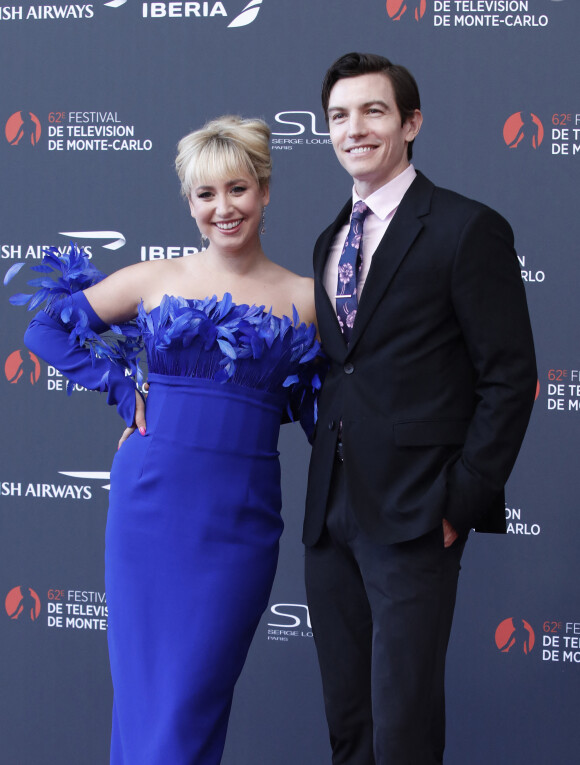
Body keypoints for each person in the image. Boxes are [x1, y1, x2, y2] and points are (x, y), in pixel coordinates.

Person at [19, 115, 319, 765]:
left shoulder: (307, 298)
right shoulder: (157, 278)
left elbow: (326, 400)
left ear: (265, 192)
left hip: (240, 516)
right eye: (205, 195)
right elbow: (46, 329)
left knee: (192, 701)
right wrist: (127, 394)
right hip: (151, 504)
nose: (223, 208)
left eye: (237, 189)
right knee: (146, 698)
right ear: (190, 205)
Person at [303, 52, 537, 765]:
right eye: (339, 116)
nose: (354, 129)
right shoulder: (330, 237)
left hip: (415, 511)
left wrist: (458, 502)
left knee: (403, 729)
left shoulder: (468, 227)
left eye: (373, 111)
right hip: (331, 511)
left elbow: (510, 375)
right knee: (351, 724)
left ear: (411, 122)